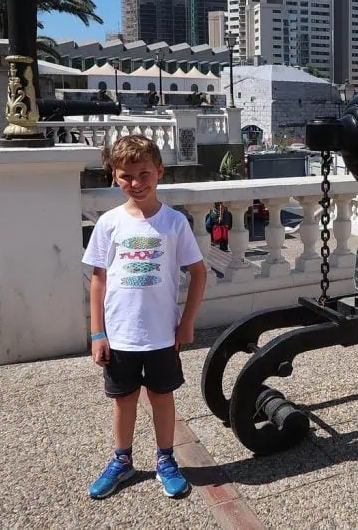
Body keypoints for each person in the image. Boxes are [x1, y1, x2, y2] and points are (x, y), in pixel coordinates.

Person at [82, 135, 208, 500]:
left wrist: (186, 322)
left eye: (144, 173)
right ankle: (121, 460)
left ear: (160, 172)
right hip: (120, 334)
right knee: (124, 399)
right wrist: (96, 334)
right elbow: (99, 280)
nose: (136, 183)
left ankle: (166, 459)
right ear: (113, 177)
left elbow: (198, 273)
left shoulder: (174, 223)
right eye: (126, 176)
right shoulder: (109, 223)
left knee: (162, 396)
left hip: (162, 334)